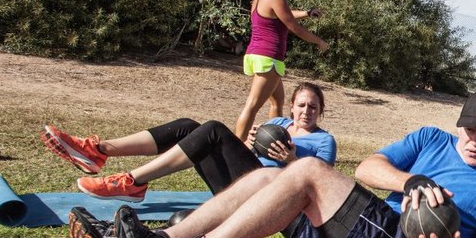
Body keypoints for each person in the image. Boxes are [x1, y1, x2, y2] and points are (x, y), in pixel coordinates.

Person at [69, 91, 476, 238]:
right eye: (469, 128)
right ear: (459, 124)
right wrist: (409, 181)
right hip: (377, 237)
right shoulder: (429, 139)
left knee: (304, 170)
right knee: (270, 179)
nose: (475, 139)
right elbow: (367, 169)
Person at [42, 82, 336, 202]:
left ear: (320, 111)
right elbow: (244, 153)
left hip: (263, 197)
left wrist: (292, 160)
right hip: (239, 180)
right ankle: (97, 151)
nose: (305, 111)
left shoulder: (325, 141)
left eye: (312, 107)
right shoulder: (277, 124)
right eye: (301, 105)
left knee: (213, 130)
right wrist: (247, 143)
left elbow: (318, 187)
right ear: (292, 107)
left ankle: (132, 181)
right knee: (187, 127)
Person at [233, 0, 330, 146]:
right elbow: (294, 27)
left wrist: (307, 13)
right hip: (268, 57)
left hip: (259, 55)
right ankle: (236, 146)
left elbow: (285, 13)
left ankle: (272, 141)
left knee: (277, 102)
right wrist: (319, 41)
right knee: (252, 104)